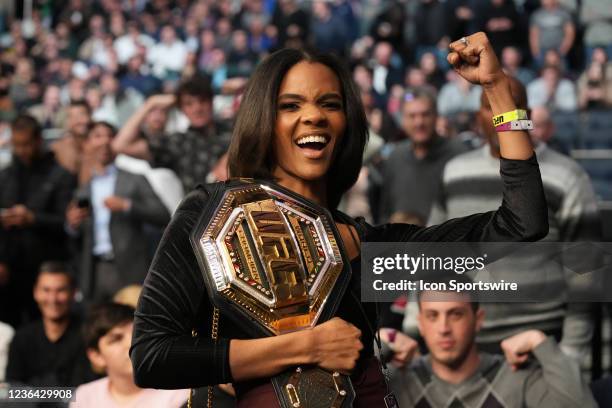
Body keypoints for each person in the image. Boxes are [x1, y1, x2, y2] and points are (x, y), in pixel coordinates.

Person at [130, 33, 548, 407]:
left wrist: (498, 91)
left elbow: (522, 223)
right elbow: (152, 358)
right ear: (263, 119)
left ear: (347, 123)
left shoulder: (373, 247)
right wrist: (306, 347)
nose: (313, 116)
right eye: (290, 105)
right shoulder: (212, 211)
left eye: (329, 103)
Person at [428, 77, 600, 362]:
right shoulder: (453, 173)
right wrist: (414, 322)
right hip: (463, 348)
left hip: (541, 346)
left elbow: (586, 273)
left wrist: (571, 354)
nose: (500, 116)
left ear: (528, 116)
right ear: (476, 117)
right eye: (490, 106)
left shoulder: (567, 177)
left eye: (511, 106)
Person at [389, 280, 598, 408]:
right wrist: (380, 344)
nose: (444, 328)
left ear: (478, 319)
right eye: (433, 316)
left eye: (456, 314)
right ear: (421, 324)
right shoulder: (398, 379)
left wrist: (539, 341)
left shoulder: (515, 375)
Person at [65, 121, 170, 301]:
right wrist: (72, 224)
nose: (105, 141)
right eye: (98, 136)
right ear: (87, 144)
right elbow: (76, 234)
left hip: (130, 268)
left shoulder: (134, 179)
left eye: (110, 136)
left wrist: (128, 205)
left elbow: (163, 215)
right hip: (94, 269)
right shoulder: (83, 189)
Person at [0, 114, 76, 326]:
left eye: (26, 144)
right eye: (16, 144)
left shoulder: (60, 176)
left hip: (47, 267)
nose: (21, 150)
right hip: (10, 273)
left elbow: (67, 223)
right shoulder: (5, 176)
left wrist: (33, 218)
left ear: (38, 140)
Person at [111, 75, 231, 192]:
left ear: (211, 102)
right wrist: (150, 104)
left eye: (202, 101)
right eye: (189, 104)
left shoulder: (232, 128)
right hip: (205, 209)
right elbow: (120, 145)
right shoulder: (178, 142)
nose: (197, 108)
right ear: (181, 109)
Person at [71, 302, 188, 408]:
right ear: (96, 356)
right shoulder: (85, 397)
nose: (131, 343)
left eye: (137, 334)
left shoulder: (179, 393)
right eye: (116, 339)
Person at [378, 88, 467, 223]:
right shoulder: (395, 157)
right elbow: (385, 212)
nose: (419, 122)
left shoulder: (459, 155)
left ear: (436, 116)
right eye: (412, 116)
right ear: (402, 120)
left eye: (425, 114)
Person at [5, 262, 94, 387]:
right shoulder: (22, 338)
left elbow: (89, 391)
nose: (53, 299)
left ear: (74, 293)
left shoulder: (88, 335)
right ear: (35, 293)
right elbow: (12, 392)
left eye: (60, 290)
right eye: (46, 290)